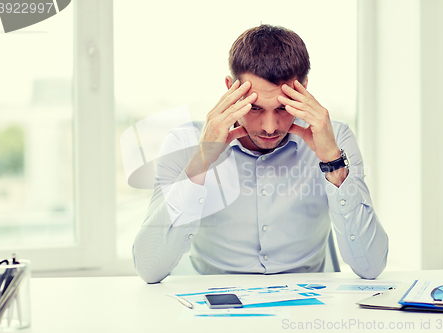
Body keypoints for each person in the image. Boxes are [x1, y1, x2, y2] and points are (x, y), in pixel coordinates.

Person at [132, 24, 388, 283]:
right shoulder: (184, 141)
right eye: (254, 108)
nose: (269, 127)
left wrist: (333, 163)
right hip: (214, 309)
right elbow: (149, 269)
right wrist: (202, 160)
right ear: (230, 88)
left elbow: (371, 266)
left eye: (282, 108)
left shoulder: (335, 139)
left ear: (304, 88)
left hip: (307, 312)